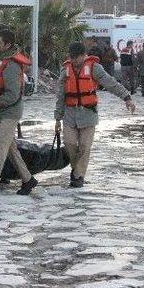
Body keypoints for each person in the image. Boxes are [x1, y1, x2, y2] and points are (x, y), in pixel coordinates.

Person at [55, 42, 136, 188]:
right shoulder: (65, 70)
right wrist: (57, 118)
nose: (73, 61)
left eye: (76, 58)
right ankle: (76, 169)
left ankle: (78, 175)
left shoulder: (94, 68)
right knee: (70, 144)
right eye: (71, 58)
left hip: (88, 113)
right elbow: (61, 95)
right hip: (69, 114)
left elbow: (110, 83)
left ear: (83, 56)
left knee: (85, 146)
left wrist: (126, 97)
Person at [0, 27, 38, 197]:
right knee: (10, 148)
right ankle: (28, 179)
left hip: (10, 112)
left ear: (8, 44)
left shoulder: (11, 65)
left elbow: (12, 95)